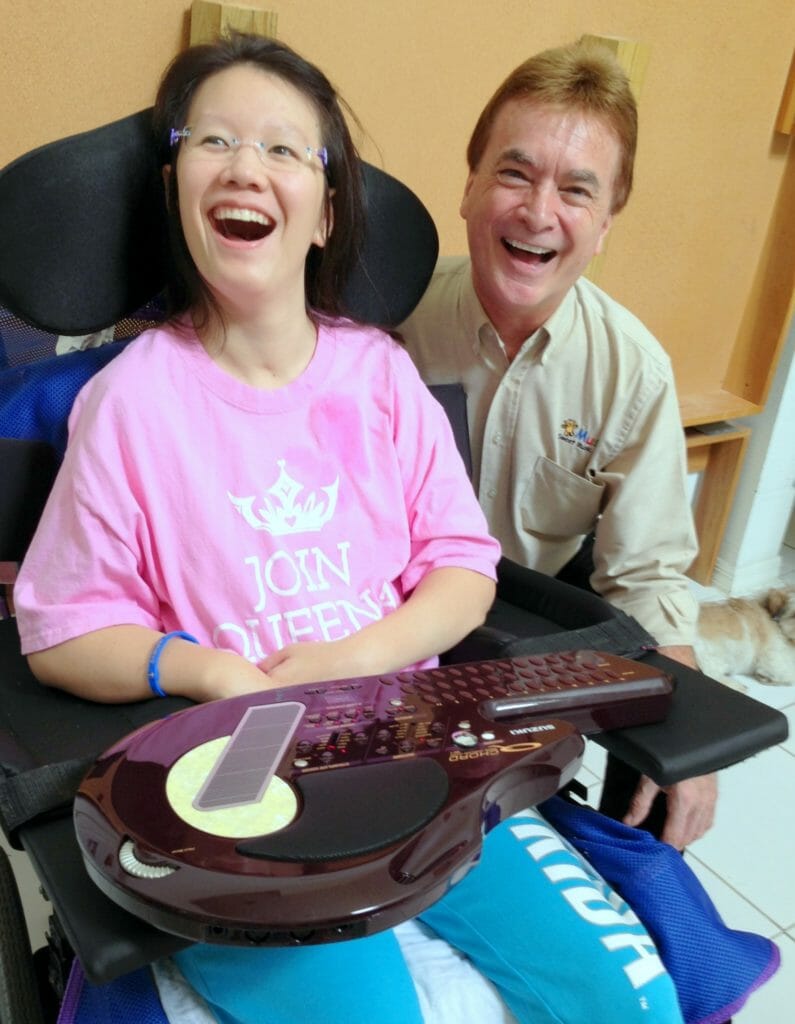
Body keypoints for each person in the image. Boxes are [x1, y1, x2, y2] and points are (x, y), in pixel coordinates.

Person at [11, 31, 687, 1024]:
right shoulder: (132, 405)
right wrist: (210, 671)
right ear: (175, 188)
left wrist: (361, 653)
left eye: (285, 149)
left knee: (629, 1002)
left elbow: (462, 563)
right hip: (236, 792)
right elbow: (63, 632)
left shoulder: (377, 373)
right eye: (216, 141)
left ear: (326, 213)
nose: (247, 165)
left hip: (418, 750)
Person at [399, 39, 716, 852]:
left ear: (606, 223)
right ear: (468, 186)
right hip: (381, 642)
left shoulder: (630, 373)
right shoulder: (384, 325)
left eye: (576, 190)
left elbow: (645, 573)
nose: (539, 213)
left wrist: (693, 738)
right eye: (514, 173)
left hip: (514, 656)